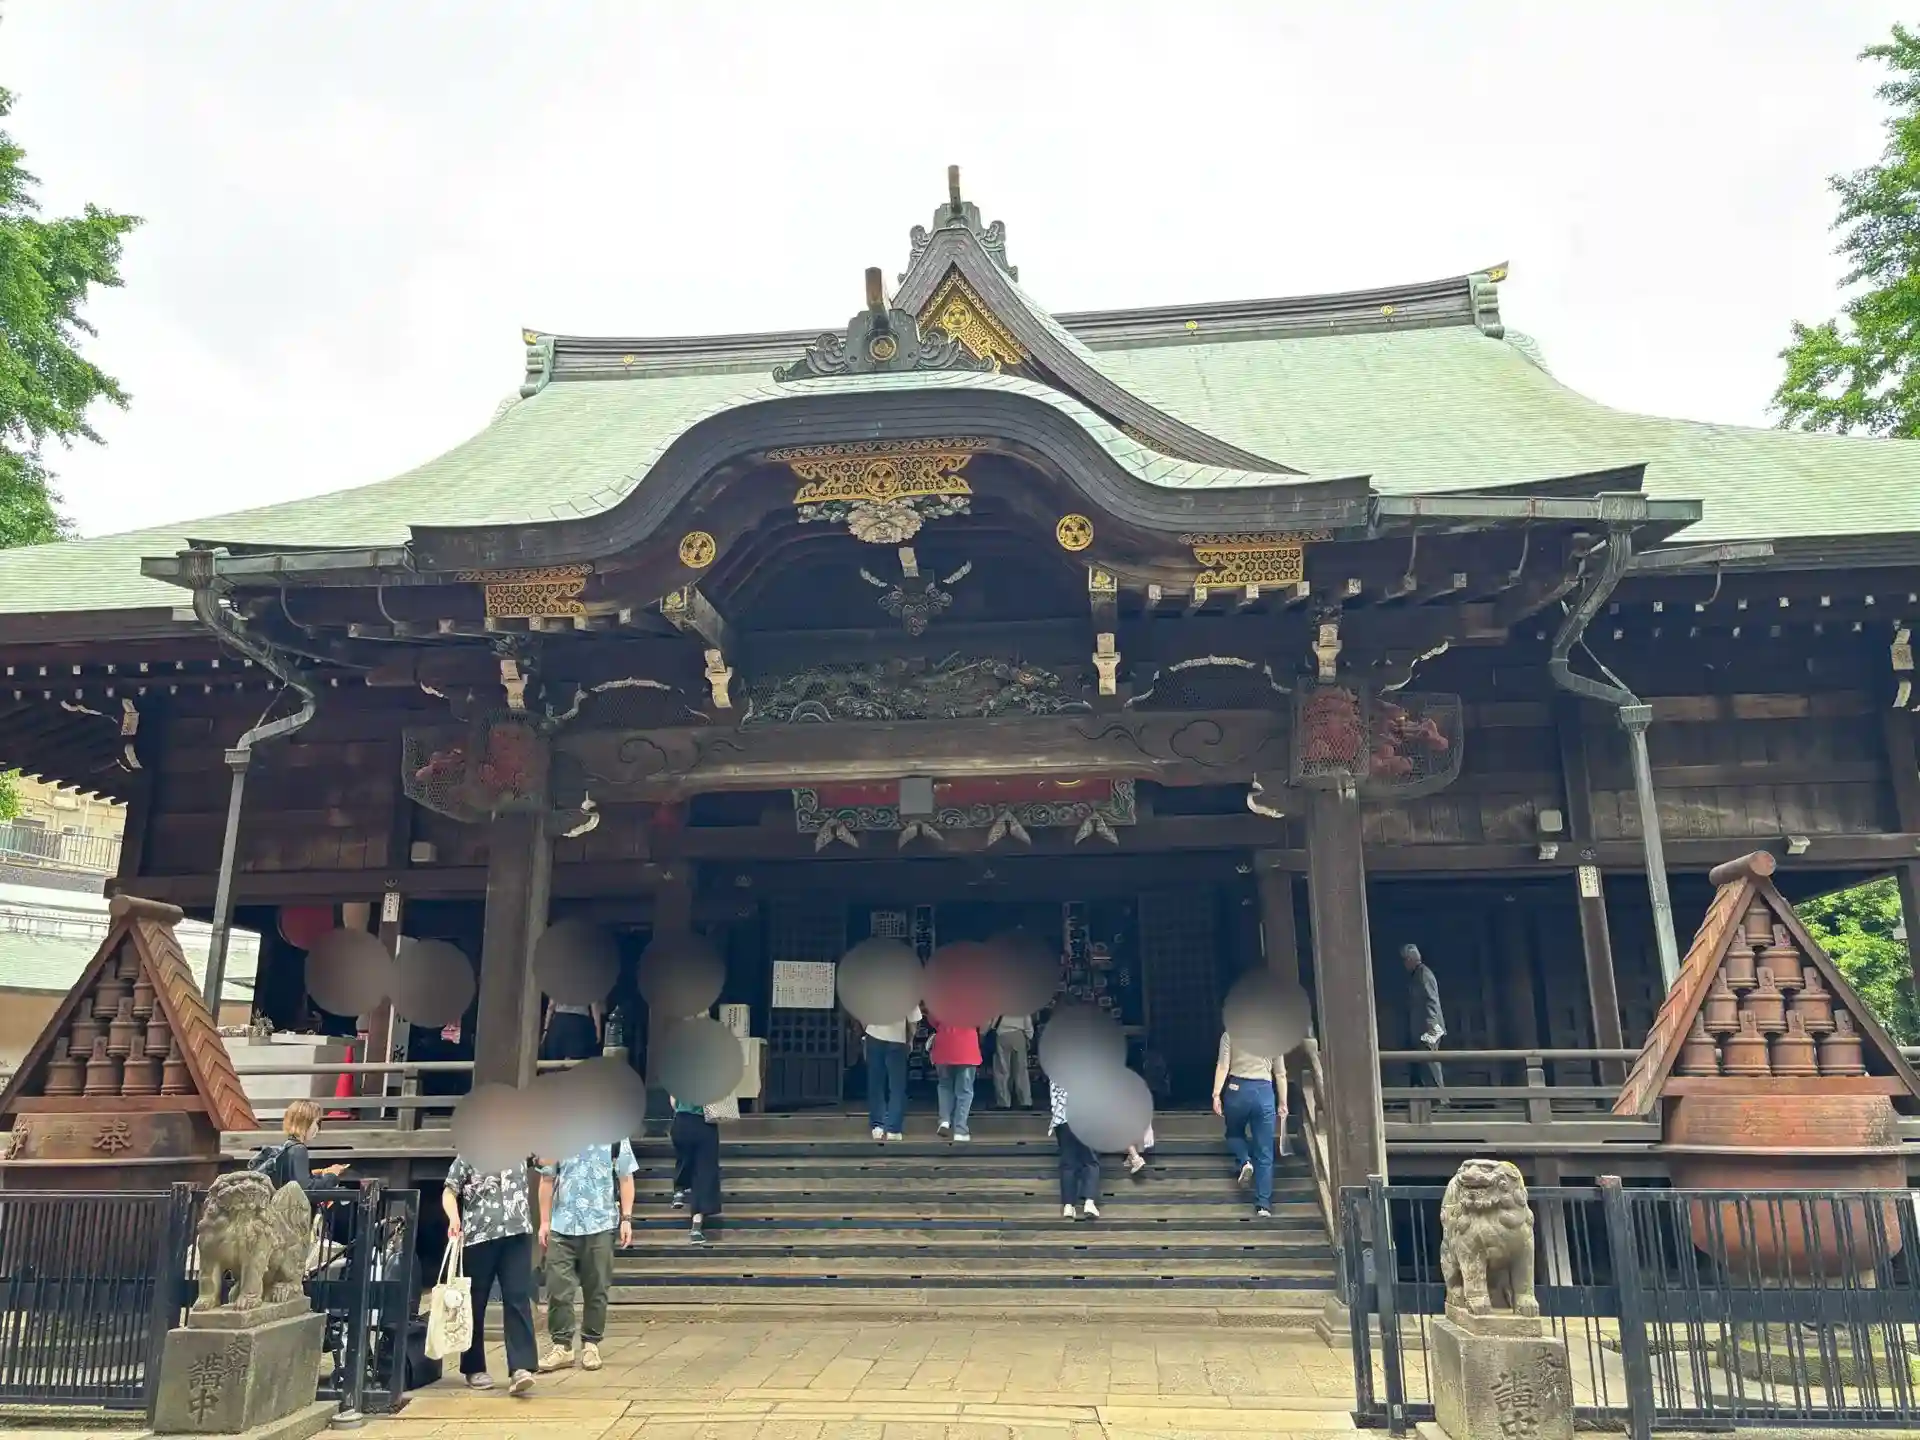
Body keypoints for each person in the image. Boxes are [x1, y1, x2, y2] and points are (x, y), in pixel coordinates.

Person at [535, 1138, 637, 1373]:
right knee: (558, 1288)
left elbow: (626, 1178)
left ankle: (591, 1344)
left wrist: (626, 1218)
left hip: (601, 1223)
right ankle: (562, 1346)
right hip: (562, 1224)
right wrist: (545, 1221)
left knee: (597, 1288)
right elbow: (547, 1179)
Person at [442, 1154, 539, 1396]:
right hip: (479, 1236)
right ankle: (474, 1367)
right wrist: (454, 1218)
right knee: (475, 1303)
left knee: (517, 1297)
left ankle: (521, 1368)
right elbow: (449, 1191)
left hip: (517, 1233)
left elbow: (547, 1159)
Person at [1212, 1031, 1287, 1219]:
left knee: (1234, 1134)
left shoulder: (1230, 1034)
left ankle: (1245, 1160)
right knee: (1265, 1151)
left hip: (1237, 1090)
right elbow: (1280, 1074)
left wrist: (1216, 1094)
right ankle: (1263, 1205)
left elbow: (1223, 1066)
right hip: (1264, 1092)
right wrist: (1283, 1103)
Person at [252, 1099, 348, 1194]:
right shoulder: (299, 1149)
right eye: (316, 1122)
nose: (317, 1128)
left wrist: (323, 1173)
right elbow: (307, 1188)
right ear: (305, 1124)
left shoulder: (289, 1146)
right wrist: (332, 1176)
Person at [669, 1093, 722, 1245]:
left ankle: (679, 1191)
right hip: (703, 1123)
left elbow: (673, 1101)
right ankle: (696, 1225)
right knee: (704, 1171)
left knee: (684, 1158)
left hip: (681, 1122)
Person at [864, 1002, 921, 1142]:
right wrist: (910, 1040)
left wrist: (867, 1028)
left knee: (876, 1083)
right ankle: (893, 1129)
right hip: (897, 1038)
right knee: (897, 1086)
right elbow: (914, 1020)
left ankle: (877, 1125)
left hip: (874, 1035)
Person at [1046, 1075, 1100, 1220]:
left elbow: (1055, 1098)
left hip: (1063, 1120)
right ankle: (1089, 1202)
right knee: (1090, 1161)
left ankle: (1068, 1206)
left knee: (1068, 1164)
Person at [929, 1011, 981, 1142]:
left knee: (944, 1086)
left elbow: (932, 1019)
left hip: (943, 1046)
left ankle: (944, 1121)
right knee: (964, 1091)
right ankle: (960, 1130)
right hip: (967, 1048)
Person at [1401, 944, 1447, 1091]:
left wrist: (1431, 1029)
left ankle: (1440, 1098)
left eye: (1405, 960)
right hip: (1424, 1028)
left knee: (1430, 1061)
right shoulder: (1416, 975)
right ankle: (1431, 1097)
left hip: (1431, 1026)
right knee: (1423, 1064)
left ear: (1411, 959)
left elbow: (1431, 1001)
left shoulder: (1423, 974)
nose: (1404, 964)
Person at [991, 1010, 1034, 1109]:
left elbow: (991, 1021)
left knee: (1002, 1071)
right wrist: (1029, 1036)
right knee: (1021, 1070)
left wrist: (983, 1033)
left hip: (1001, 1034)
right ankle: (1025, 1101)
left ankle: (1004, 1102)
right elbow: (1027, 1021)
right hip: (1019, 1034)